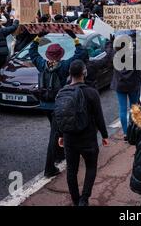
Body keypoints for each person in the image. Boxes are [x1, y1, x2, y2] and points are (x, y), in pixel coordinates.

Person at [29, 29, 87, 178]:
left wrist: (39, 36)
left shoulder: (42, 64)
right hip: (58, 105)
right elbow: (79, 53)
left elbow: (33, 52)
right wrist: (74, 37)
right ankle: (49, 168)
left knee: (58, 131)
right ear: (61, 54)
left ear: (47, 54)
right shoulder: (64, 66)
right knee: (54, 135)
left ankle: (60, 155)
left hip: (44, 103)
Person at [57, 60, 109, 206]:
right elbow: (99, 117)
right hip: (88, 138)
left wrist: (61, 135)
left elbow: (60, 116)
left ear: (69, 74)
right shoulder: (92, 92)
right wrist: (104, 135)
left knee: (71, 170)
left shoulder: (62, 92)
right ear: (84, 73)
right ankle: (84, 199)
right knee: (91, 167)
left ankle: (75, 200)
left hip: (69, 138)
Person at [111, 39, 141, 142]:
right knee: (134, 108)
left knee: (122, 109)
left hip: (120, 86)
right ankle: (135, 130)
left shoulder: (114, 55)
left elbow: (107, 50)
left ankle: (125, 133)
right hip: (133, 85)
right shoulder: (134, 55)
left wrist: (110, 40)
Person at [0, 17, 19, 87]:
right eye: (0, 22)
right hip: (1, 56)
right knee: (1, 72)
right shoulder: (2, 31)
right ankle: (1, 86)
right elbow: (13, 27)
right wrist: (16, 21)